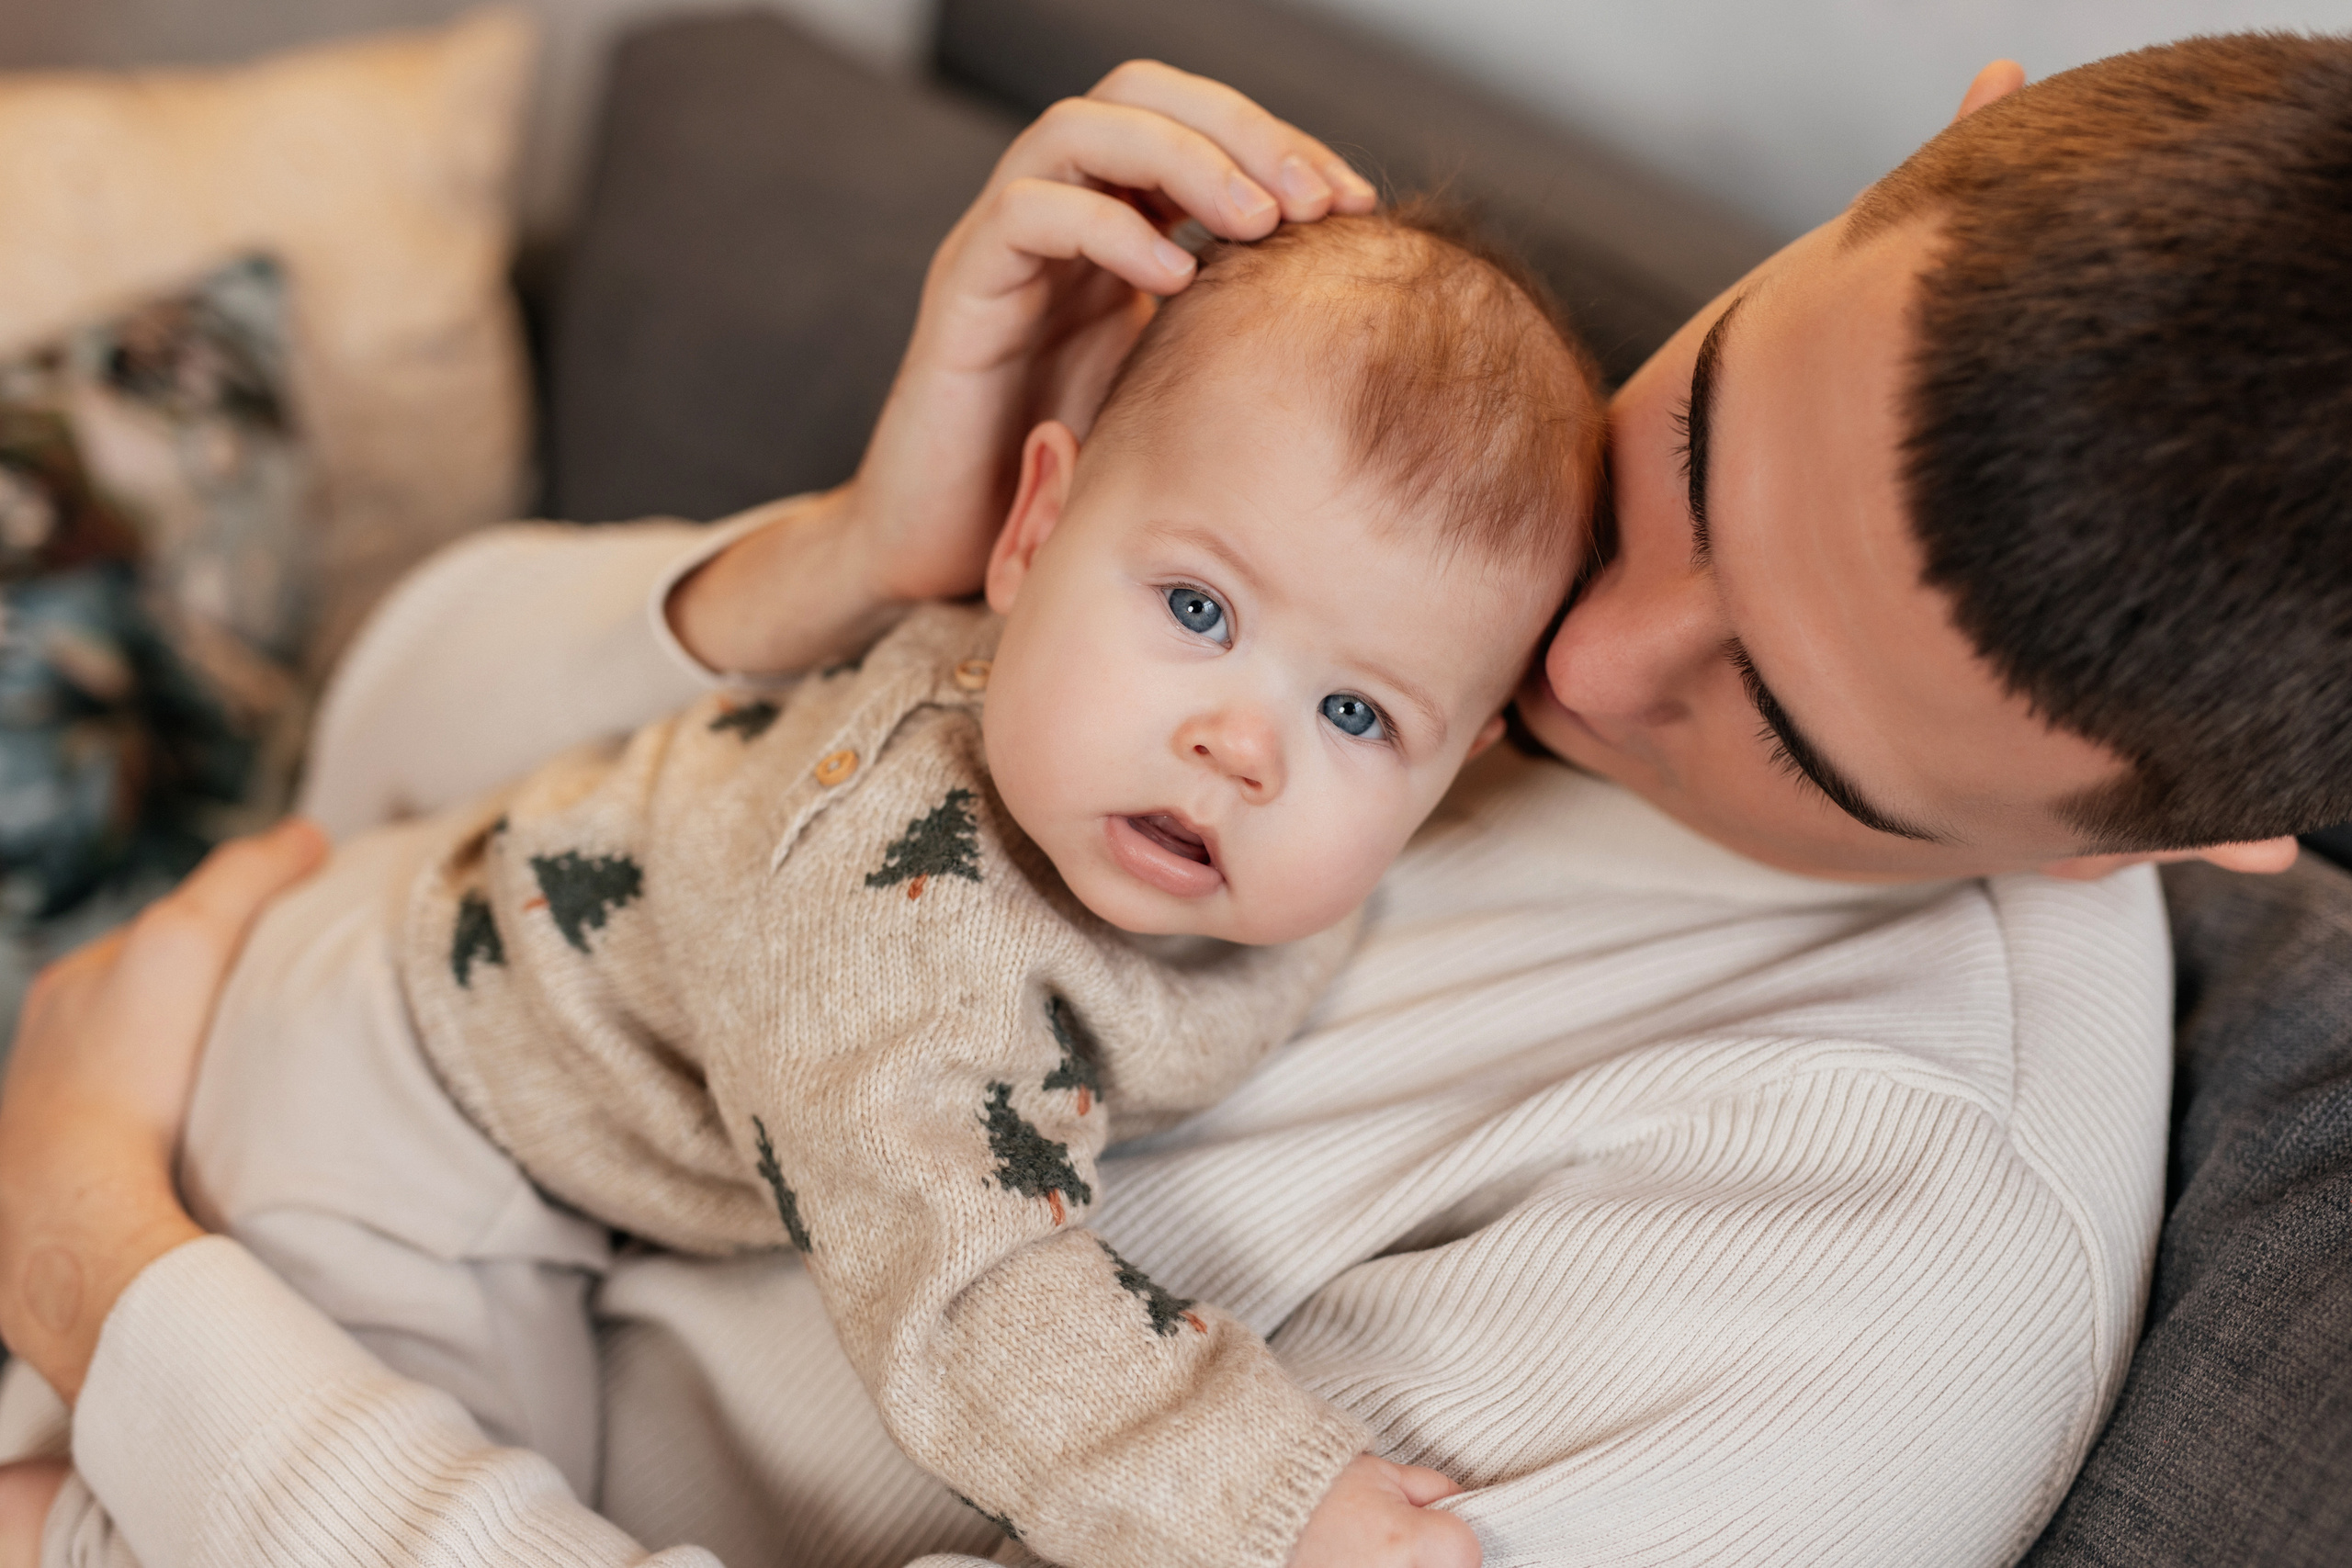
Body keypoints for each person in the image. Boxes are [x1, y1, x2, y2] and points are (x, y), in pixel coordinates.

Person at [1, 31, 2345, 1568]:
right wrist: (870, 556)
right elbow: (394, 727)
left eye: (1800, 736)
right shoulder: (1428, 448)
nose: (1589, 654)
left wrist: (122, 1285)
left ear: (2164, 838)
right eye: (1700, 444)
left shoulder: (1850, 1298)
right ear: (1938, 141)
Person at [12, 209, 1595, 1568]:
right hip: (410, 1100)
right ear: (1032, 533)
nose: (1241, 742)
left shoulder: (1227, 831)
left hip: (509, 1047)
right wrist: (1267, 1504)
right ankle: (49, 1523)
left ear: (1452, 776)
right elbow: (967, 1286)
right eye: (1196, 604)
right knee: (455, 1470)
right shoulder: (901, 917)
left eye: (1356, 715)